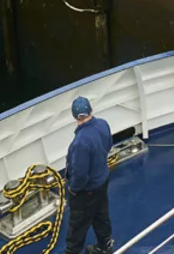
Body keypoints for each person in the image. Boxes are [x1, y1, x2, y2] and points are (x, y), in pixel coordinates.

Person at [64, 97, 113, 254]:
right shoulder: (103, 124)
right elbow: (108, 145)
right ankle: (105, 246)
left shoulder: (81, 142)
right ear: (91, 109)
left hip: (87, 191)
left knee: (78, 224)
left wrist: (73, 190)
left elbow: (80, 174)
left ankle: (72, 252)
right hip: (102, 181)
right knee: (101, 215)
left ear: (74, 116)